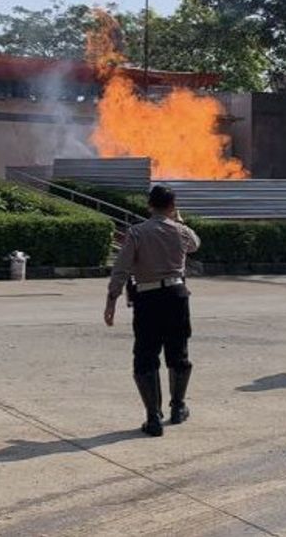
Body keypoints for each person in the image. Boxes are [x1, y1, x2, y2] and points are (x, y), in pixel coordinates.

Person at [104, 185, 201, 437]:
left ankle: (153, 416)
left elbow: (122, 267)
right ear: (172, 206)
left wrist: (111, 299)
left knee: (146, 355)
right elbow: (196, 245)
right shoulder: (181, 231)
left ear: (149, 205)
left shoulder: (136, 233)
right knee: (178, 351)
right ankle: (178, 407)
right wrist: (178, 219)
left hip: (147, 298)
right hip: (177, 296)